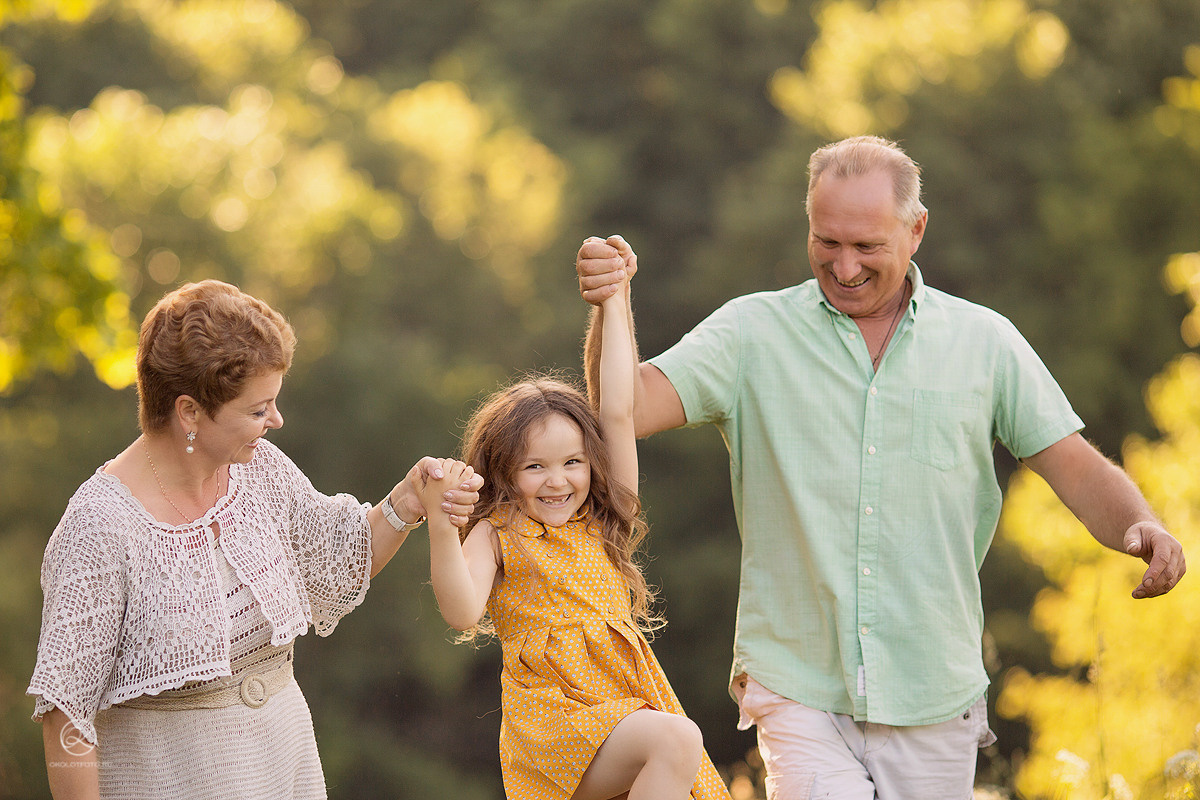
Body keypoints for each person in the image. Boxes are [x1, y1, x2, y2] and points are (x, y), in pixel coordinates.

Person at [574, 135, 1186, 798]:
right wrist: (612, 305)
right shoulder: (752, 332)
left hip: (935, 689)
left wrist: (1142, 524)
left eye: (867, 246)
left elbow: (1075, 466)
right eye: (826, 242)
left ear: (915, 229)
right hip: (797, 683)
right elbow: (623, 408)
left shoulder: (983, 342)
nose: (844, 267)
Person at [28, 280, 483, 800]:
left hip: (286, 772)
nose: (276, 420)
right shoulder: (99, 527)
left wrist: (407, 500)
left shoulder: (259, 469)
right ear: (189, 412)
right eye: (257, 409)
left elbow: (337, 560)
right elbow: (65, 714)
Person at [420, 267, 730, 799]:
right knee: (677, 738)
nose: (558, 481)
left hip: (622, 712)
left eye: (572, 462)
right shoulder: (498, 533)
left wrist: (614, 300)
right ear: (504, 471)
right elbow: (461, 610)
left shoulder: (604, 520)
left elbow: (618, 410)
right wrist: (443, 522)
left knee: (675, 743)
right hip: (553, 726)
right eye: (535, 467)